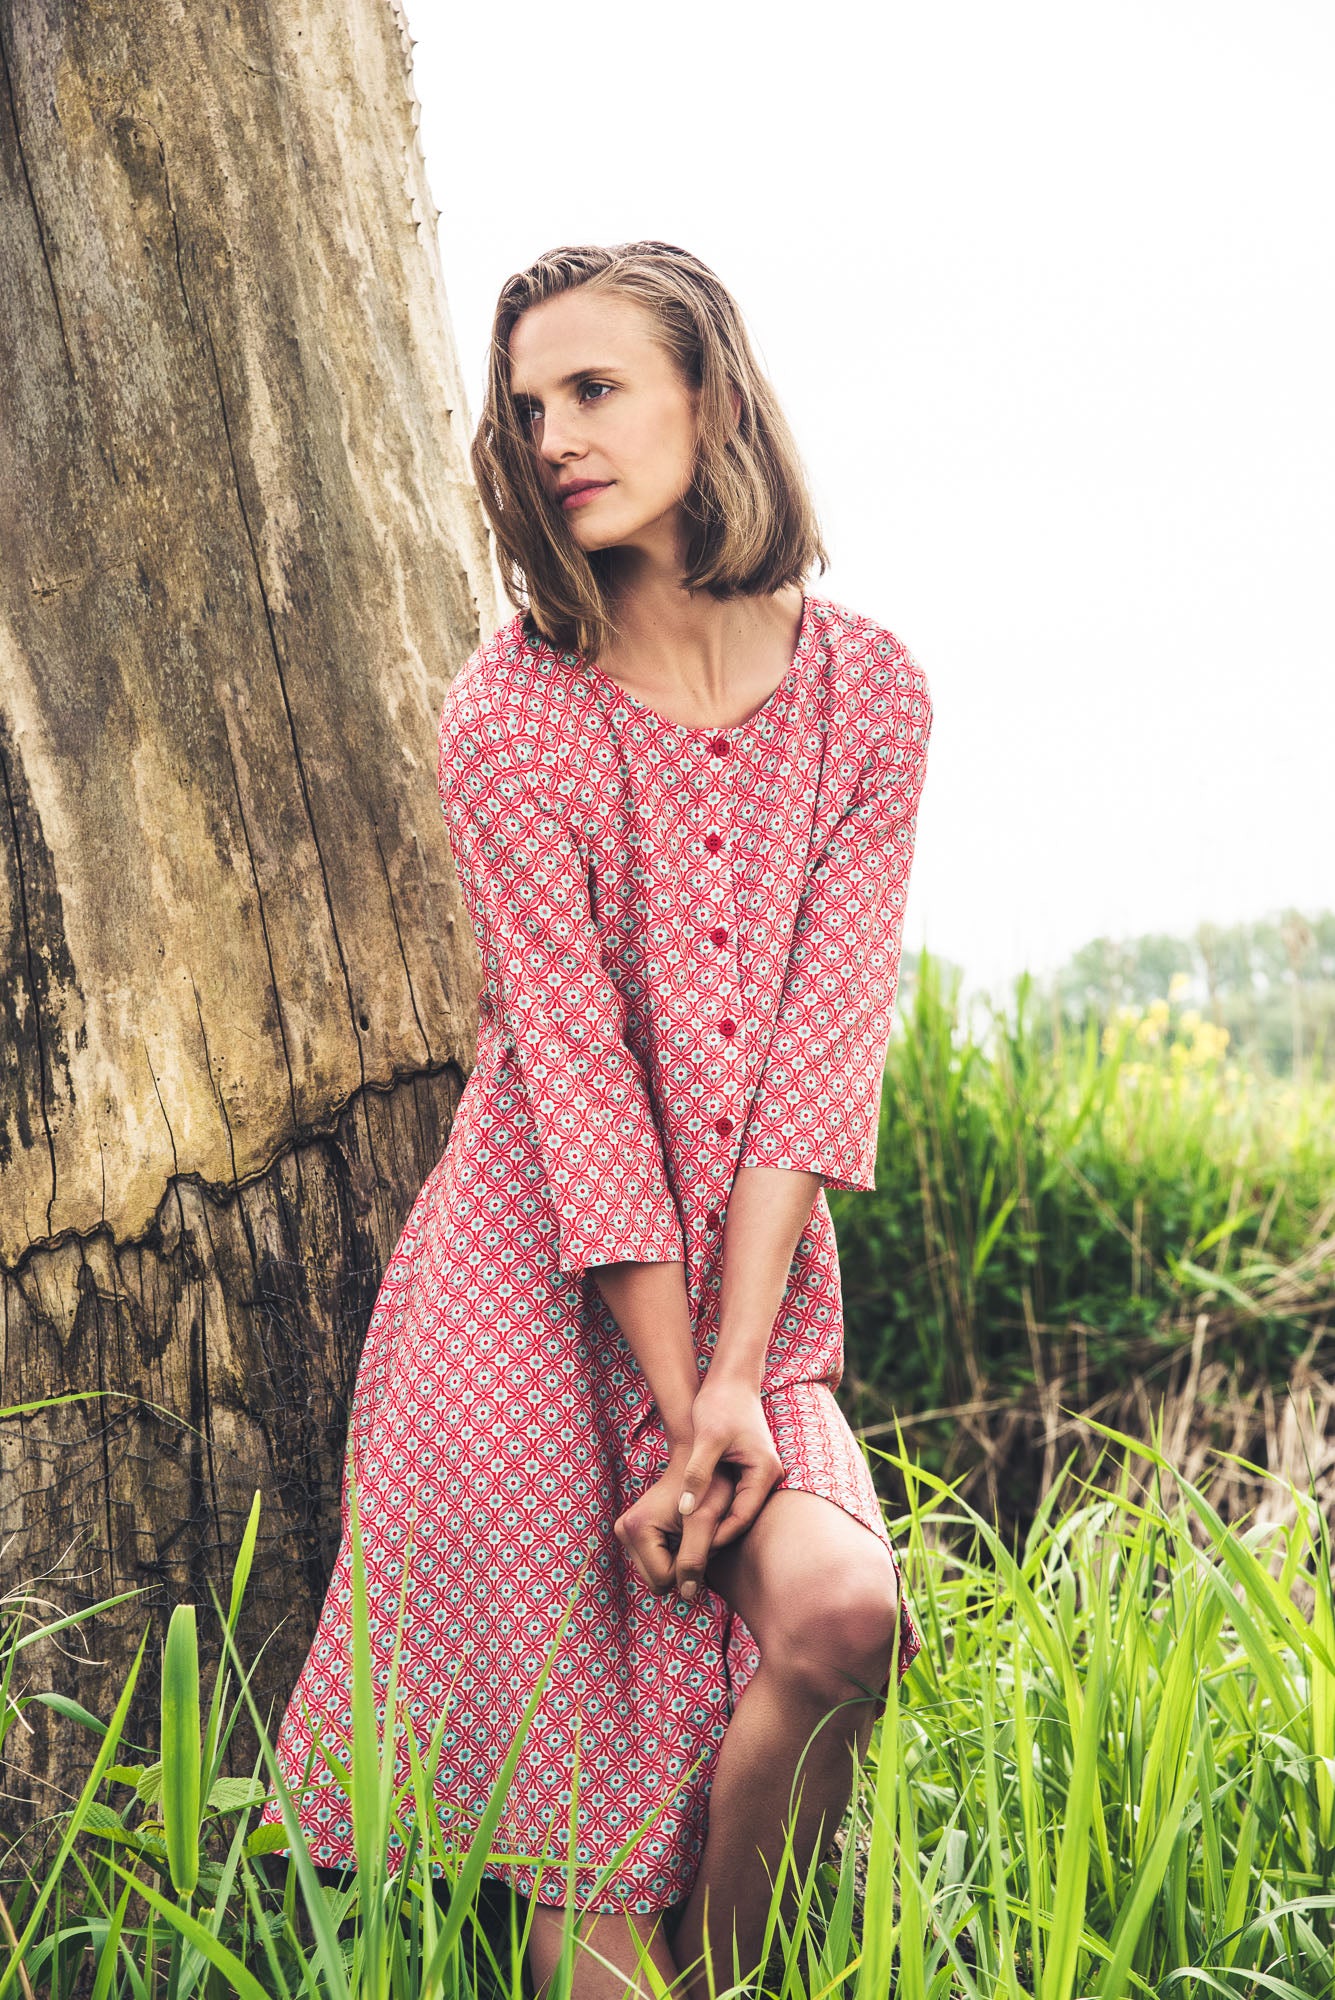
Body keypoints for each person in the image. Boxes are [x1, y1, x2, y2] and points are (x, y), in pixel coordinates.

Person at [260, 240, 933, 1999]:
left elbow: (815, 1060)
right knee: (584, 1850)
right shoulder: (509, 718)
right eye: (529, 407)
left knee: (843, 1619)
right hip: (524, 1318)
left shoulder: (870, 695)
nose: (555, 433)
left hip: (753, 1304)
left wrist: (731, 1384)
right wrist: (664, 1388)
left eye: (596, 388)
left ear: (708, 397)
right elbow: (577, 1082)